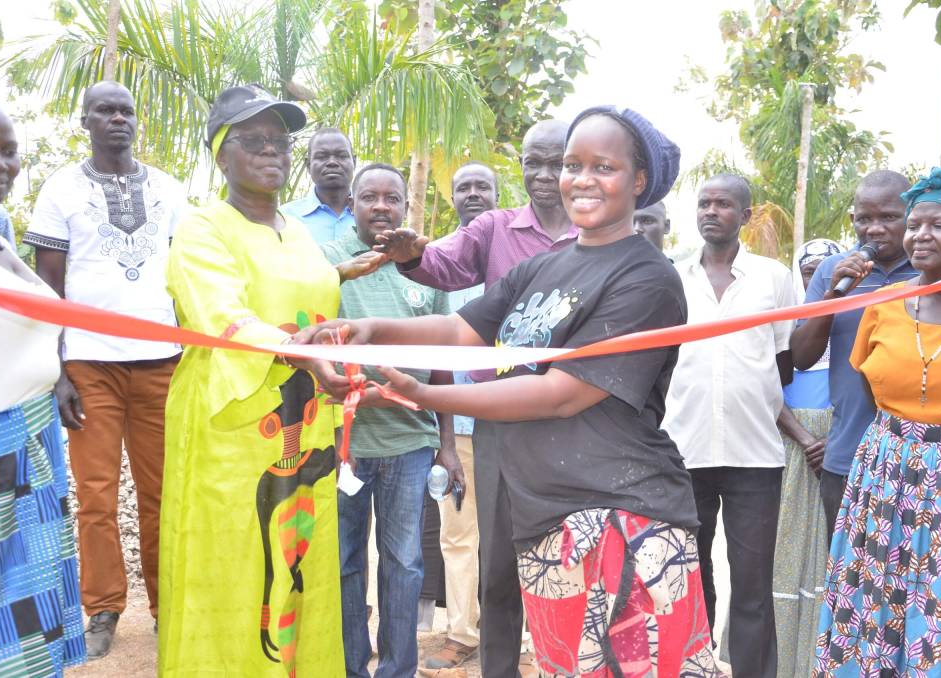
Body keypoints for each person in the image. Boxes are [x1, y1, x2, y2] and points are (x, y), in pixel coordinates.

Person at [295, 105, 723, 677]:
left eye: (604, 167)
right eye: (574, 164)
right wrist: (367, 333)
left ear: (638, 181)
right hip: (548, 517)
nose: (581, 179)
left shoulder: (647, 278)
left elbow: (560, 394)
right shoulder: (545, 268)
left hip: (623, 521)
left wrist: (423, 396)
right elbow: (459, 331)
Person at [158, 84, 380, 676]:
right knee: (234, 564)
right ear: (221, 155)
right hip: (232, 432)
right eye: (252, 141)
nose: (271, 150)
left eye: (280, 141)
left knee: (298, 563)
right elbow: (224, 315)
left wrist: (344, 271)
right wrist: (304, 356)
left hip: (306, 428)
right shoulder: (202, 229)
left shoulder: (297, 230)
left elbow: (289, 283)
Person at [374, 119, 577, 678]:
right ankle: (498, 666)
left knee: (565, 552)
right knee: (498, 563)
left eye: (555, 162)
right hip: (501, 416)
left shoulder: (595, 233)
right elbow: (444, 264)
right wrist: (411, 254)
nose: (542, 175)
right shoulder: (495, 228)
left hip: (576, 419)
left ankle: (559, 660)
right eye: (532, 163)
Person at [21, 80, 186, 657]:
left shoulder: (168, 189)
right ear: (84, 120)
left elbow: (185, 276)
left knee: (163, 493)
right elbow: (48, 287)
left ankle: (171, 609)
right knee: (95, 493)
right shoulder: (60, 188)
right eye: (105, 111)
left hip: (162, 361)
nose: (118, 119)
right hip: (89, 362)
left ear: (136, 121)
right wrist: (57, 368)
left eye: (126, 111)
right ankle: (103, 608)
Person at [813, 167, 941, 674]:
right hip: (885, 479)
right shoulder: (883, 306)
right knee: (879, 601)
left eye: (937, 225)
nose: (920, 235)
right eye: (914, 224)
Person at [319, 163, 457, 677]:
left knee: (403, 563)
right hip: (343, 443)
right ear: (350, 204)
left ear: (406, 207)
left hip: (410, 444)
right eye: (370, 197)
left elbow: (445, 361)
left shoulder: (428, 269)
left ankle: (398, 669)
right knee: (345, 561)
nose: (382, 206)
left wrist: (446, 443)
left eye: (392, 198)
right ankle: (350, 666)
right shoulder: (325, 265)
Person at [664, 173, 795, 678]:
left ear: (745, 215)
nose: (711, 211)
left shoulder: (774, 277)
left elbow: (783, 360)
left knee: (753, 581)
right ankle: (693, 668)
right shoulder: (671, 274)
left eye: (723, 204)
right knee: (690, 575)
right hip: (682, 450)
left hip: (754, 454)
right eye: (704, 203)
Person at [0, 92, 87, 676]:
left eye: (7, 151)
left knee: (30, 602)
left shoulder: (1, 231)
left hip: (33, 440)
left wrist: (59, 377)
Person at [789, 171, 918, 539]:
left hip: (920, 458)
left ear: (912, 213)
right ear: (852, 220)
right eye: (864, 219)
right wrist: (834, 296)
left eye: (889, 217)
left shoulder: (937, 272)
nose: (874, 229)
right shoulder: (833, 271)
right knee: (849, 578)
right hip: (847, 456)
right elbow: (801, 357)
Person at [420, 161, 500, 672]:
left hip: (518, 422)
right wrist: (444, 440)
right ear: (452, 199)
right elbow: (433, 355)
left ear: (498, 195)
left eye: (482, 186)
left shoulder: (520, 255)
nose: (473, 194)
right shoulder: (437, 265)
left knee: (517, 534)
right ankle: (464, 633)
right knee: (458, 534)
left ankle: (514, 634)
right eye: (463, 187)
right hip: (460, 427)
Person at [770, 238, 842, 677]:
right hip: (793, 453)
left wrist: (832, 441)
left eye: (826, 268)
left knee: (830, 557)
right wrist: (804, 438)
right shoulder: (788, 325)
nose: (817, 275)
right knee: (787, 555)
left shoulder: (851, 321)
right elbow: (767, 386)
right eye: (810, 267)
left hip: (839, 452)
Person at [282, 127, 356, 243]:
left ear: (354, 162)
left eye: (341, 155)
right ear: (308, 165)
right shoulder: (285, 218)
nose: (332, 162)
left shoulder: (375, 216)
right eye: (322, 156)